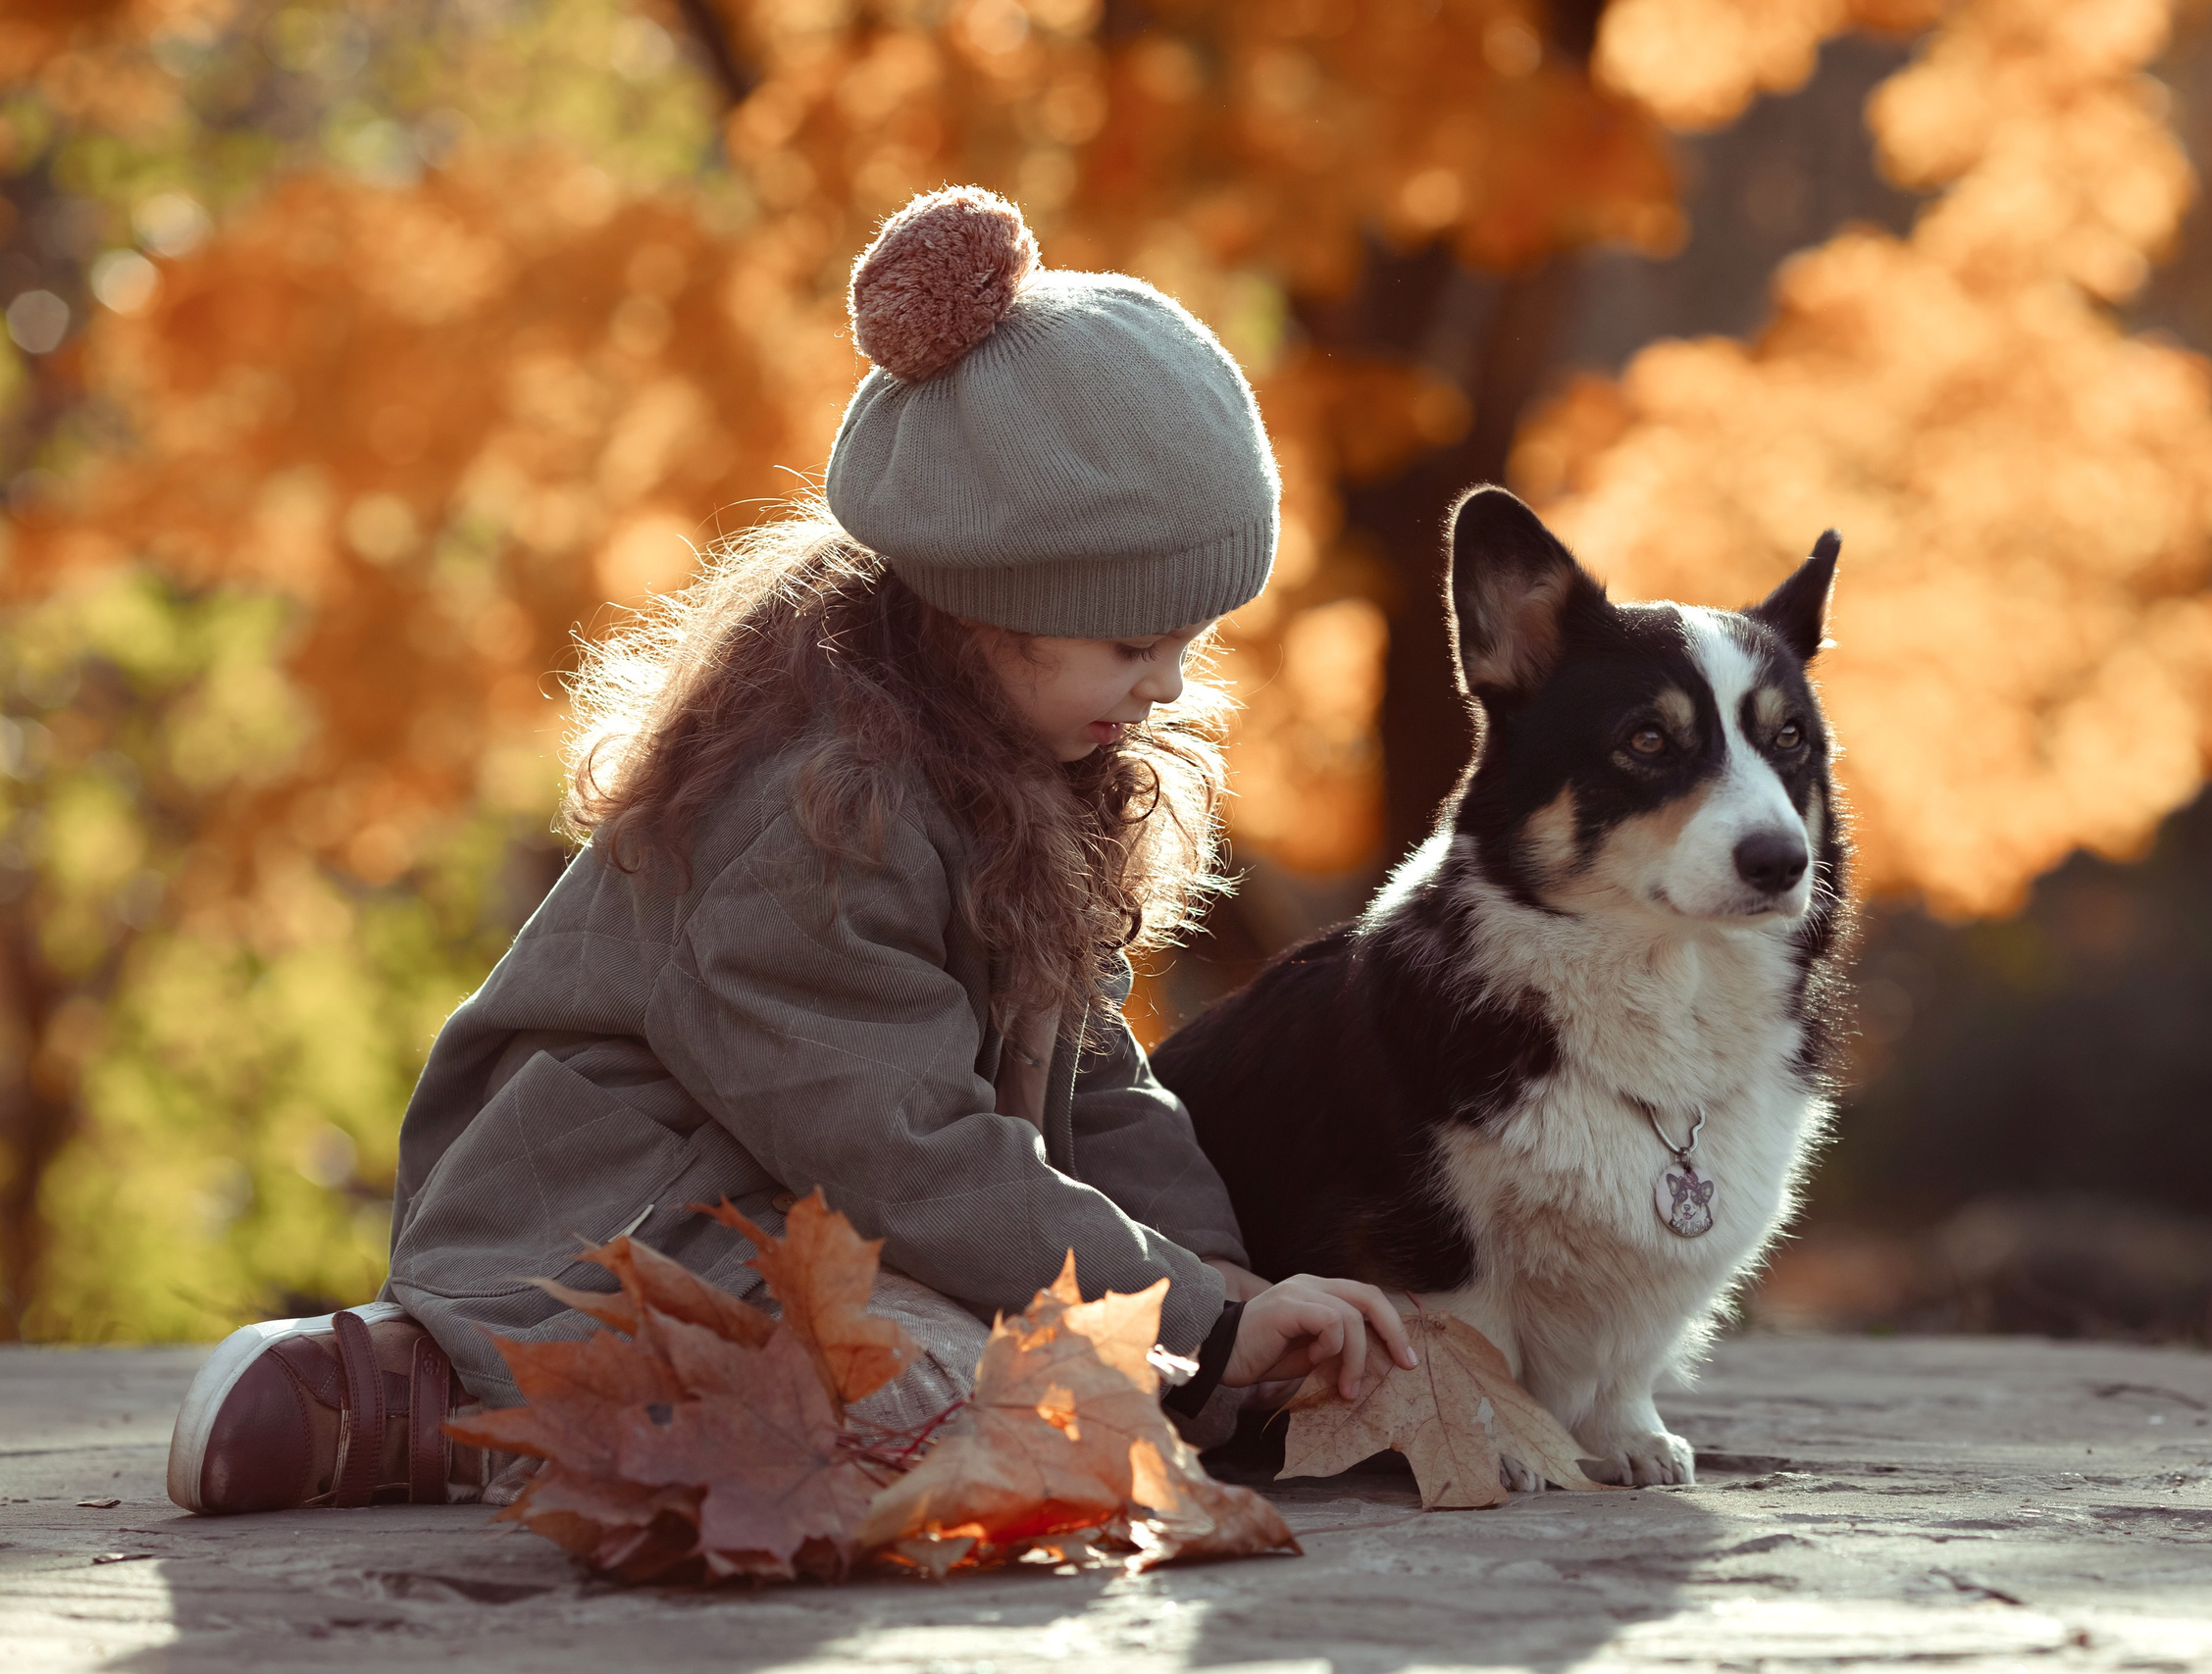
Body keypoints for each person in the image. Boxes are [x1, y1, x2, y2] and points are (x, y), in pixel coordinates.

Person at [165, 186, 1415, 1514]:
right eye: (1132, 642)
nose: (1166, 685)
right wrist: (1181, 1327)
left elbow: (1095, 1079)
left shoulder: (1038, 765)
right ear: (998, 605)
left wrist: (1215, 1293)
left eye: (1188, 642)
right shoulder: (822, 809)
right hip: (624, 1230)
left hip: (834, 1216)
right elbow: (894, 1142)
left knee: (1033, 1399)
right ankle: (416, 1392)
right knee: (924, 1404)